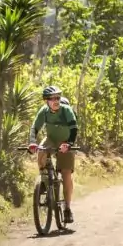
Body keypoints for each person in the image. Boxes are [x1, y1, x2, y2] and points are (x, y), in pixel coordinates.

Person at [28, 85, 78, 223]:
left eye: (58, 97)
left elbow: (74, 128)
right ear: (46, 101)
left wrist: (69, 144)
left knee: (66, 172)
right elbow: (34, 127)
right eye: (52, 98)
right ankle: (44, 181)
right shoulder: (44, 111)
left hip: (66, 141)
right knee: (40, 152)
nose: (56, 100)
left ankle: (67, 209)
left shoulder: (66, 110)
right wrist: (32, 142)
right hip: (51, 139)